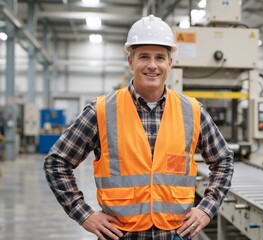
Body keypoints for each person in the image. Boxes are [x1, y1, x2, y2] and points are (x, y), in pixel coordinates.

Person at [44, 15, 234, 240]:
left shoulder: (192, 111)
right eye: (144, 56)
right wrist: (84, 215)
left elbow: (223, 160)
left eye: (160, 58)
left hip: (175, 234)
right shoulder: (101, 111)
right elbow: (57, 163)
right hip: (120, 235)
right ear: (131, 61)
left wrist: (206, 208)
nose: (152, 65)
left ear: (169, 63)